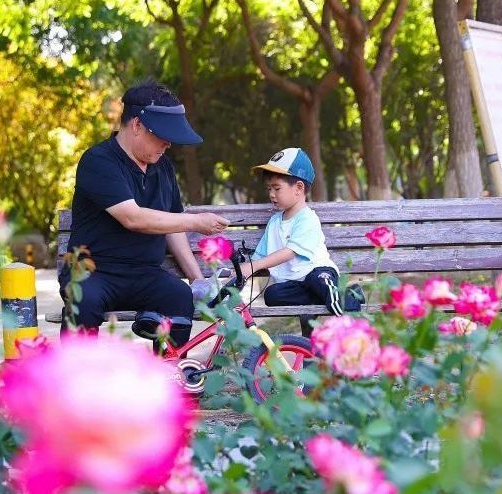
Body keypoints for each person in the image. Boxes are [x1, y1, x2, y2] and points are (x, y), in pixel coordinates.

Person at [60, 80, 229, 345]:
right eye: (162, 135)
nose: (168, 144)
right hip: (92, 273)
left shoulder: (163, 167)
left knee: (178, 296)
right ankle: (75, 369)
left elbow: (173, 226)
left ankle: (168, 369)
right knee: (84, 300)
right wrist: (196, 221)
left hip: (143, 275)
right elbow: (132, 218)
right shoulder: (98, 161)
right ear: (137, 125)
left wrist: (197, 280)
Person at [242, 147, 363, 335]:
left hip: (319, 272)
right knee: (272, 295)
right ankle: (343, 297)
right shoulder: (274, 222)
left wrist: (255, 265)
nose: (271, 194)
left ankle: (345, 307)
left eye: (277, 188)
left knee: (316, 280)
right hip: (296, 285)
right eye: (269, 189)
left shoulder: (307, 218)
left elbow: (290, 252)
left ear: (299, 188)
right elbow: (259, 257)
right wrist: (244, 268)